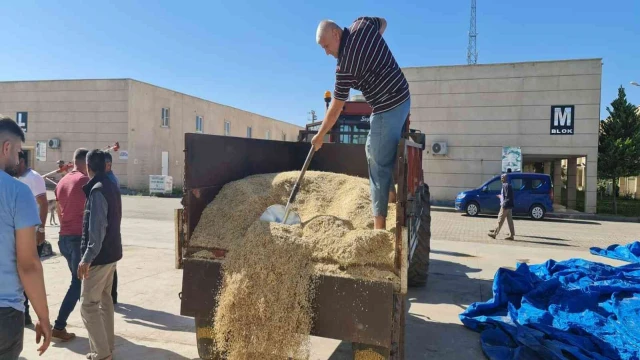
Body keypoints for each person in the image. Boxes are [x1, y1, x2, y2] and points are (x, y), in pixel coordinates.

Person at [312, 17, 411, 229]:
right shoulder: (363, 24)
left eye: (326, 46)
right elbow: (383, 23)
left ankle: (379, 229)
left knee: (377, 166)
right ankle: (391, 195)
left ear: (336, 34)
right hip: (403, 95)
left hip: (388, 107)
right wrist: (373, 50)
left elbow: (336, 108)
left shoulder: (344, 66)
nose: (326, 52)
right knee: (370, 148)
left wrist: (320, 136)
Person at [0, 116, 51, 358]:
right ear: (6, 147)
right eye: (18, 152)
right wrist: (43, 315)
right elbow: (28, 264)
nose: (19, 159)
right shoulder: (17, 192)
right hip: (4, 314)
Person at [78, 150, 123, 360]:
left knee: (88, 306)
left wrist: (86, 258)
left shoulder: (97, 191)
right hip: (112, 255)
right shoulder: (112, 186)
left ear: (88, 167)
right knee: (105, 302)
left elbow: (97, 230)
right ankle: (107, 348)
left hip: (100, 258)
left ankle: (102, 354)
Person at [51, 148, 90, 342]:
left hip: (64, 238)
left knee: (80, 282)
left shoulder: (63, 181)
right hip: (77, 239)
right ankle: (58, 326)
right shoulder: (84, 181)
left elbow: (59, 210)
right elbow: (90, 210)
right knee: (77, 284)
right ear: (86, 162)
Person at [10, 151, 49, 325]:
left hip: (31, 233)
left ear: (22, 161)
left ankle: (26, 312)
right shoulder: (12, 178)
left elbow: (44, 203)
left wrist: (41, 229)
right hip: (15, 233)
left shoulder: (34, 177)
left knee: (28, 269)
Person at [103, 152, 119, 304]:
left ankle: (112, 295)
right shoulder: (110, 179)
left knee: (110, 266)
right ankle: (111, 295)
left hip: (109, 229)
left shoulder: (110, 181)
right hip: (111, 228)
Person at [488, 174, 515, 240]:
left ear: (505, 179)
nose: (501, 179)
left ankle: (494, 233)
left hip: (505, 206)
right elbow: (506, 196)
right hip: (508, 205)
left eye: (503, 178)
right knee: (510, 220)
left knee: (500, 219)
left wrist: (504, 205)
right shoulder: (507, 185)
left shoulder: (505, 185)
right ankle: (512, 235)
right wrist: (501, 197)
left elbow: (508, 197)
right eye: (501, 177)